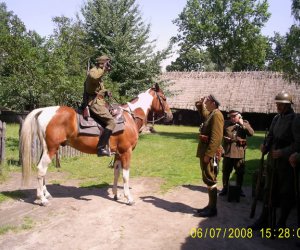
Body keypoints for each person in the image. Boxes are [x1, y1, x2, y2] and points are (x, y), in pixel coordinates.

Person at [249, 90, 299, 230]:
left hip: (286, 163)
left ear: (288, 105)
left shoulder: (295, 120)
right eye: (277, 103)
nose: (278, 106)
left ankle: (281, 224)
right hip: (272, 160)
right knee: (268, 190)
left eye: (281, 104)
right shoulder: (276, 118)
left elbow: (298, 143)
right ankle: (264, 219)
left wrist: (283, 152)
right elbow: (270, 136)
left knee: (285, 194)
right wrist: (265, 146)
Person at [195, 94, 224, 217]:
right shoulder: (212, 114)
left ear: (213, 103)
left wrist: (209, 154)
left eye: (207, 101)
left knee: (211, 178)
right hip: (206, 151)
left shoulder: (217, 115)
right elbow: (204, 113)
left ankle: (213, 209)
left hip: (209, 153)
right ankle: (210, 206)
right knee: (208, 178)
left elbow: (216, 138)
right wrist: (201, 103)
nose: (206, 103)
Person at [83, 55, 116, 156]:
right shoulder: (93, 71)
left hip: (99, 100)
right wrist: (104, 70)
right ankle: (100, 149)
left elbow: (97, 88)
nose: (108, 66)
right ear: (102, 63)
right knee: (111, 123)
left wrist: (105, 91)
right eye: (107, 63)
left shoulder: (99, 73)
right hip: (94, 103)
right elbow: (94, 77)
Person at [219, 110, 254, 197]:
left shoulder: (244, 123)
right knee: (226, 171)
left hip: (239, 152)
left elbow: (251, 133)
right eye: (231, 116)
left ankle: (239, 188)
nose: (232, 118)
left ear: (239, 116)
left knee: (240, 172)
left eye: (234, 116)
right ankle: (225, 188)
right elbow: (218, 133)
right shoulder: (226, 123)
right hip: (228, 151)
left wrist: (243, 124)